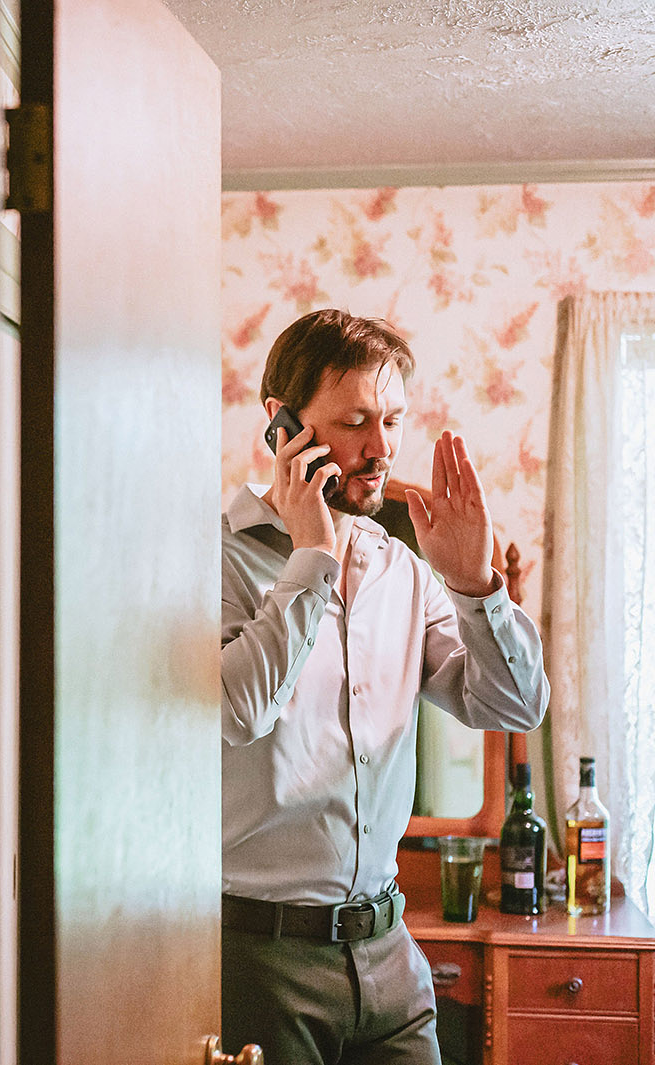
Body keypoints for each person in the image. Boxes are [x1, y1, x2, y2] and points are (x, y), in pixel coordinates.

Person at [220, 309, 548, 1064]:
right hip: (258, 961)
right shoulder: (212, 557)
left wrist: (474, 585)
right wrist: (311, 559)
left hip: (390, 957)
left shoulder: (401, 569)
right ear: (282, 425)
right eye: (357, 420)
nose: (381, 449)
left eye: (394, 419)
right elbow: (236, 710)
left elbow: (513, 702)